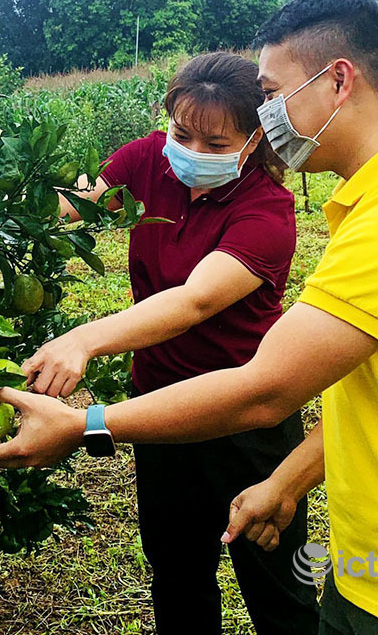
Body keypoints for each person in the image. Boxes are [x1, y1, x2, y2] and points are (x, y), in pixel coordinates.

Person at [0, 0, 378, 635]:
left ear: (337, 81)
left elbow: (262, 385)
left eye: (274, 93)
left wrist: (86, 423)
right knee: (180, 578)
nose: (270, 112)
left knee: (280, 600)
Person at [23, 52, 318, 634]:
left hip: (244, 420)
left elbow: (195, 300)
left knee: (278, 590)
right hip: (158, 410)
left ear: (255, 139)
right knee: (177, 577)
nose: (193, 152)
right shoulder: (147, 161)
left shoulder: (268, 212)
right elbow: (75, 207)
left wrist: (83, 340)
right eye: (183, 134)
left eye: (216, 143)